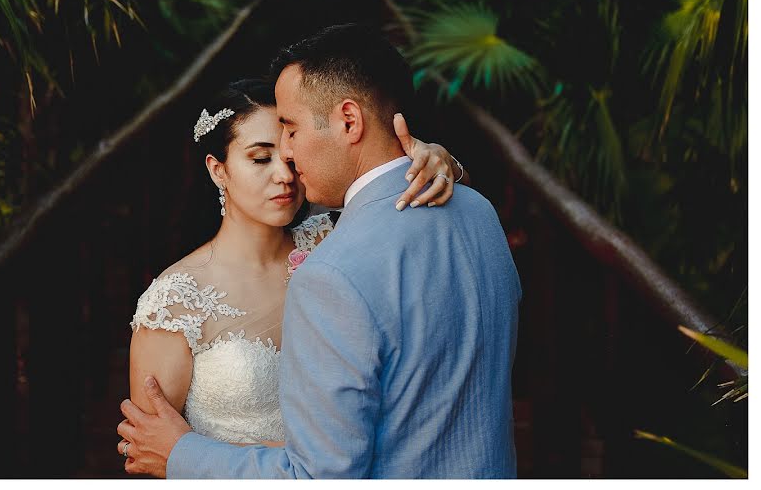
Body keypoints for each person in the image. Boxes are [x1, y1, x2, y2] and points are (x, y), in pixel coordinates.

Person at [117, 24, 521, 478]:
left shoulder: (332, 257)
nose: (287, 162)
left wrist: (183, 455)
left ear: (349, 121)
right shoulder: (478, 212)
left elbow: (320, 475)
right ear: (218, 169)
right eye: (261, 154)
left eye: (290, 132)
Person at [125, 77, 466, 450]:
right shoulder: (174, 303)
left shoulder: (337, 239)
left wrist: (441, 161)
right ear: (217, 169)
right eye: (260, 159)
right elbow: (149, 453)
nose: (284, 176)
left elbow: (428, 223)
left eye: (291, 159)